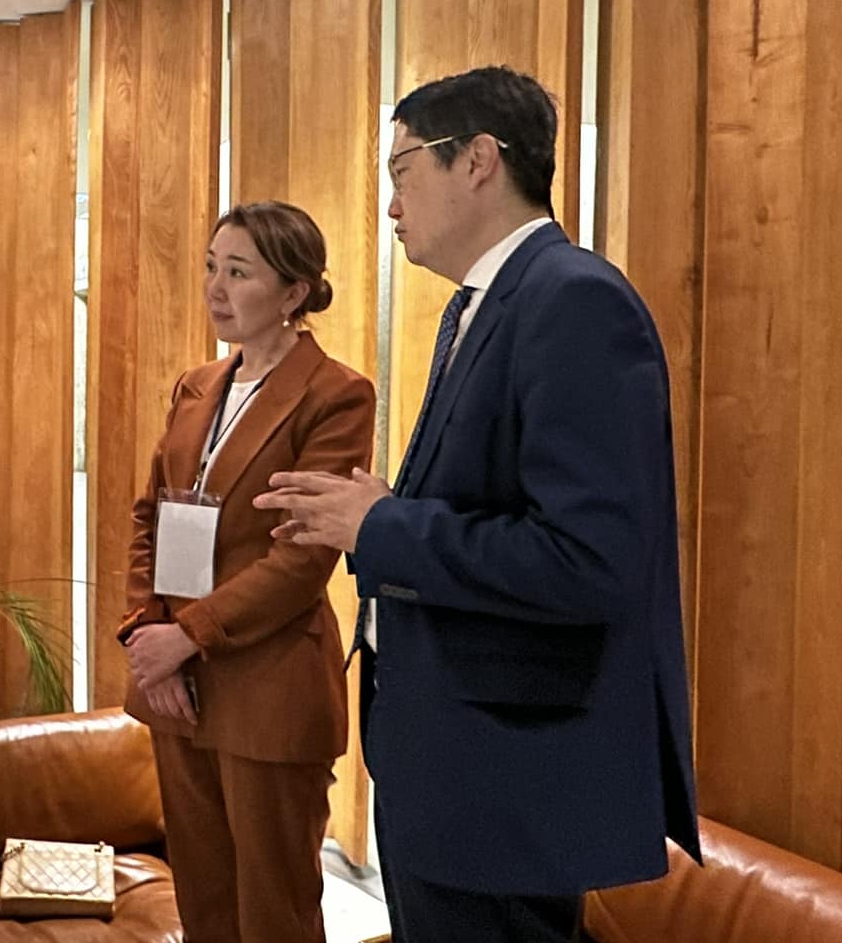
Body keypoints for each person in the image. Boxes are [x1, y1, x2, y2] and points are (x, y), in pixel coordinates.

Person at [257, 66, 699, 942]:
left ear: (478, 160)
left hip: (506, 775)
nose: (391, 207)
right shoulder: (483, 306)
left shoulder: (574, 299)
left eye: (402, 171)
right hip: (449, 762)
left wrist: (382, 525)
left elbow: (587, 560)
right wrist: (385, 512)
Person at [118, 201, 376, 943]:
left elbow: (302, 559)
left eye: (238, 272)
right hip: (175, 682)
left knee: (273, 912)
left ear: (293, 292)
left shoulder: (334, 395)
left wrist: (187, 636)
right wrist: (148, 634)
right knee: (203, 902)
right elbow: (149, 517)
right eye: (211, 267)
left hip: (268, 683)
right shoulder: (196, 385)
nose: (215, 287)